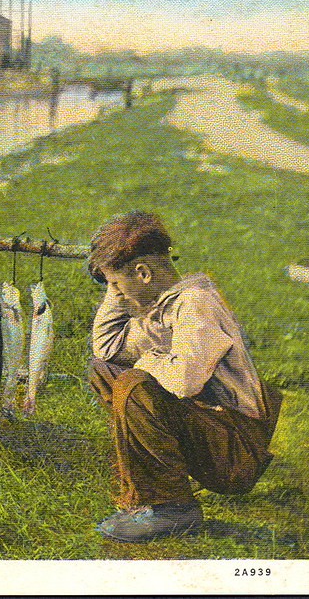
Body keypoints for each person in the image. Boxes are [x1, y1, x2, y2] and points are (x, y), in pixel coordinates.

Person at [85, 211, 282, 542]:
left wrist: (147, 360)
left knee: (133, 385)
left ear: (143, 273)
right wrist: (114, 288)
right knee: (105, 373)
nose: (118, 295)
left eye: (118, 286)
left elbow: (184, 381)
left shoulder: (195, 303)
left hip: (236, 449)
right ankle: (144, 494)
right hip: (212, 431)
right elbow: (107, 350)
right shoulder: (161, 308)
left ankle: (173, 509)